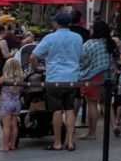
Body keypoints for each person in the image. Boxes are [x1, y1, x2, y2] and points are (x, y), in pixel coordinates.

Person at [30, 12, 84, 152]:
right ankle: (70, 142)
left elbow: (33, 56)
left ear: (55, 23)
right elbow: (82, 57)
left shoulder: (50, 38)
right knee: (70, 109)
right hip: (72, 77)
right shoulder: (77, 37)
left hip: (54, 77)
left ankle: (58, 142)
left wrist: (36, 68)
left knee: (57, 110)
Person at [78, 21, 117, 140]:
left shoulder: (90, 44)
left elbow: (83, 61)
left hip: (92, 77)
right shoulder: (110, 43)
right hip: (107, 76)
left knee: (92, 104)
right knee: (106, 103)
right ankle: (114, 125)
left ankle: (92, 132)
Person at [0, 57, 23, 152]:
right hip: (16, 103)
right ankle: (12, 145)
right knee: (14, 125)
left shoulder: (5, 77)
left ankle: (5, 146)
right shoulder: (20, 77)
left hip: (6, 104)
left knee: (6, 126)